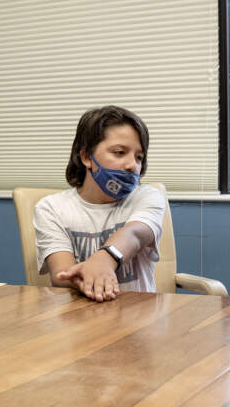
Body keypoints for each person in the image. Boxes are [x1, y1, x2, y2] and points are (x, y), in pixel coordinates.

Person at [33, 106, 165, 302]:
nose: (132, 165)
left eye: (139, 157)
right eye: (120, 152)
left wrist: (105, 258)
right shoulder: (51, 208)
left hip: (140, 320)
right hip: (77, 321)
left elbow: (135, 234)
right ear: (86, 157)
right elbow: (61, 273)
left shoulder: (147, 197)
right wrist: (88, 277)